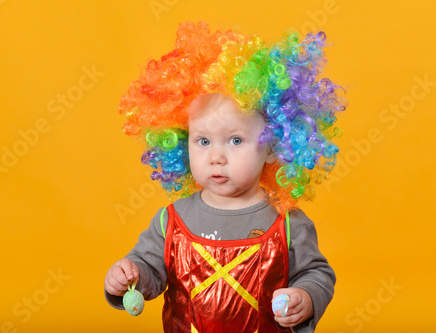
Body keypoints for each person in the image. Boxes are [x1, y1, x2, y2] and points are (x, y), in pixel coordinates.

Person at [105, 21, 346, 332]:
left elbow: (317, 274)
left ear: (273, 146)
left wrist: (306, 296)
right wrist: (129, 276)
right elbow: (150, 269)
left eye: (235, 140)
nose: (216, 156)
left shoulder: (287, 223)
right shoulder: (171, 221)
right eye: (203, 141)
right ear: (181, 142)